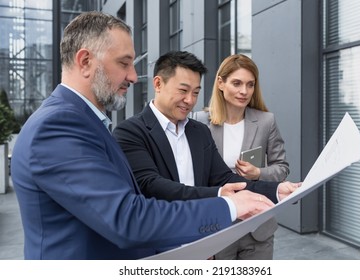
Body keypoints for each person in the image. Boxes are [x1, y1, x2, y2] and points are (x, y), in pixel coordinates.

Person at [10, 11, 277, 260]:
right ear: (85, 62)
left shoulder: (84, 121)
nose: (134, 77)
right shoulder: (59, 126)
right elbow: (128, 218)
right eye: (124, 63)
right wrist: (229, 206)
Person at [112, 51, 300, 257]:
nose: (189, 100)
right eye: (183, 90)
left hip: (205, 244)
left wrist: (276, 190)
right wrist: (219, 195)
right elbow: (152, 185)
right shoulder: (130, 132)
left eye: (195, 92)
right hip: (161, 249)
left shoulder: (199, 131)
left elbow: (224, 178)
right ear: (158, 84)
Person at [192, 54, 289, 259]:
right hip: (218, 227)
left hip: (257, 228)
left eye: (250, 84)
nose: (244, 91)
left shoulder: (265, 121)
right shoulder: (200, 122)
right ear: (221, 83)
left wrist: (258, 173)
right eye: (237, 83)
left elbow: (281, 167)